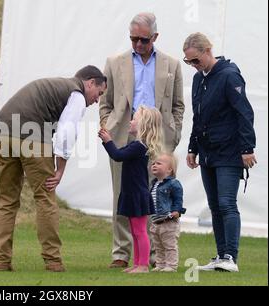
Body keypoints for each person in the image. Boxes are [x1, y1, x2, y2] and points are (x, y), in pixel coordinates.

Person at [0, 65, 107, 272]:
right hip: (32, 135)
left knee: (6, 200)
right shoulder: (76, 94)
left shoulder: (56, 85)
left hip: (3, 131)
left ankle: (1, 261)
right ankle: (53, 261)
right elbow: (66, 132)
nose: (97, 100)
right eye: (99, 93)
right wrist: (60, 169)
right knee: (45, 198)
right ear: (90, 82)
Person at [99, 12, 185, 268]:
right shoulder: (115, 61)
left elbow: (178, 104)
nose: (138, 44)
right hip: (124, 135)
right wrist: (109, 126)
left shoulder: (172, 64)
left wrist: (175, 131)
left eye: (143, 40)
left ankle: (156, 255)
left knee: (158, 194)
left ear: (155, 37)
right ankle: (121, 253)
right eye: (133, 38)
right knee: (122, 194)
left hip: (160, 137)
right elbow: (105, 101)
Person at [183, 33, 257, 273]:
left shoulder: (229, 75)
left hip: (229, 152)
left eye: (195, 60)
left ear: (207, 51)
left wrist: (247, 148)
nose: (193, 66)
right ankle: (221, 255)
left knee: (227, 203)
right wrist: (192, 147)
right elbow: (198, 117)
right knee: (214, 205)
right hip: (207, 153)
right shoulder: (198, 80)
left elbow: (244, 113)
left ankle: (230, 257)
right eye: (189, 62)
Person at [98, 106, 163, 273]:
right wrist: (109, 143)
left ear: (143, 125)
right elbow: (119, 154)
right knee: (135, 231)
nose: (130, 121)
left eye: (134, 119)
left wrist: (108, 141)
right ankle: (137, 263)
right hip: (132, 192)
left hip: (137, 194)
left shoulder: (139, 147)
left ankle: (143, 265)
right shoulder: (136, 145)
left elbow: (118, 156)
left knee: (140, 231)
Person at [149, 153, 186, 272]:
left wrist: (177, 210)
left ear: (169, 169)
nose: (154, 165)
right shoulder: (154, 184)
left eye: (158, 163)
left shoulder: (173, 183)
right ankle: (160, 264)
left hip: (168, 220)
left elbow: (178, 198)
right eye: (153, 163)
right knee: (158, 246)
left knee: (169, 245)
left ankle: (171, 265)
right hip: (156, 221)